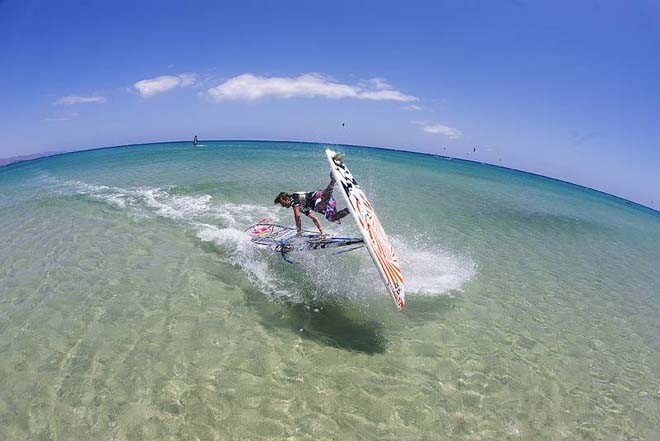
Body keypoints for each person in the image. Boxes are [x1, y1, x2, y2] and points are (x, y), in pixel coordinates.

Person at [274, 174, 350, 236]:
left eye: (282, 203)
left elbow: (297, 216)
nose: (283, 206)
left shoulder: (293, 198)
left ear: (286, 199)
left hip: (320, 196)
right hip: (328, 202)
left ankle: (333, 181)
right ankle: (349, 210)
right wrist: (322, 232)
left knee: (319, 204)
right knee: (331, 218)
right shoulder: (301, 207)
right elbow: (315, 218)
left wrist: (299, 232)